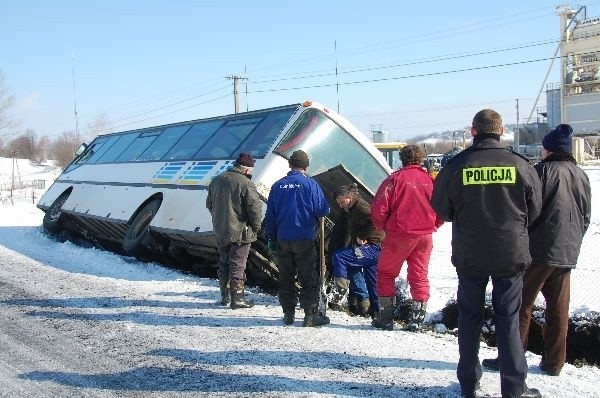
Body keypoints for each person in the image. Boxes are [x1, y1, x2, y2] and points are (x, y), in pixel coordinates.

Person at [431, 109, 542, 398]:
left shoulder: (456, 166)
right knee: (509, 318)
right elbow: (536, 209)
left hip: (471, 255)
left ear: (473, 131)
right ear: (501, 130)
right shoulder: (520, 165)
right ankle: (514, 388)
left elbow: (442, 209)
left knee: (469, 317)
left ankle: (468, 383)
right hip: (510, 253)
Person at [482, 124, 592, 377]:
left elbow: (523, 211)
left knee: (519, 305)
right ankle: (554, 363)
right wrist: (574, 239)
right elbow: (585, 215)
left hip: (537, 250)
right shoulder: (581, 175)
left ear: (549, 150)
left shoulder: (540, 172)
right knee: (558, 310)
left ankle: (511, 357)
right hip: (567, 251)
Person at [370, 144, 443, 331]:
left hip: (398, 235)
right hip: (424, 236)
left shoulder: (394, 180)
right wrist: (433, 225)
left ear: (402, 159)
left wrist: (382, 227)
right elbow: (442, 208)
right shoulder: (430, 181)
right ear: (421, 159)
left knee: (385, 274)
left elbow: (379, 208)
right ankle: (417, 320)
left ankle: (386, 319)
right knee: (419, 276)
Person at [264, 150, 331, 327]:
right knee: (308, 276)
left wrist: (271, 239)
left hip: (282, 239)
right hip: (304, 238)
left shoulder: (278, 185)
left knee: (286, 276)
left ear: (290, 165)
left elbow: (270, 217)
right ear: (306, 166)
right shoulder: (310, 184)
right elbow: (322, 210)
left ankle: (288, 314)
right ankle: (310, 315)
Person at [206, 153, 263, 309]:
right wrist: (256, 228)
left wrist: (219, 221)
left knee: (224, 262)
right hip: (240, 232)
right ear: (246, 170)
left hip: (221, 230)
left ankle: (224, 297)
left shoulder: (217, 180)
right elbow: (255, 210)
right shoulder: (246, 184)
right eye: (251, 171)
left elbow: (209, 204)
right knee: (238, 264)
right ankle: (237, 299)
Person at [329, 184, 384, 317]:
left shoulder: (360, 207)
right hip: (374, 248)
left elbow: (373, 221)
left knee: (339, 256)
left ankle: (339, 293)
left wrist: (361, 236)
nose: (341, 206)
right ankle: (377, 311)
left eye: (342, 202)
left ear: (350, 197)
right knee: (372, 281)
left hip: (371, 248)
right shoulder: (353, 208)